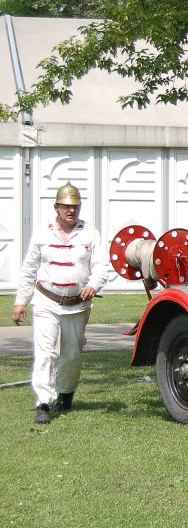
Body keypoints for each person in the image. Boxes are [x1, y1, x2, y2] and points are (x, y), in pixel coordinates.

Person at [12, 182, 110, 424]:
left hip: (77, 305)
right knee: (45, 352)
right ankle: (43, 403)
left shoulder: (90, 232)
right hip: (46, 301)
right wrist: (20, 301)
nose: (71, 211)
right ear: (56, 207)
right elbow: (29, 268)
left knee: (72, 353)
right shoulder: (42, 232)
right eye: (66, 206)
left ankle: (65, 394)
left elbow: (101, 266)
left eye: (75, 207)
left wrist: (93, 285)